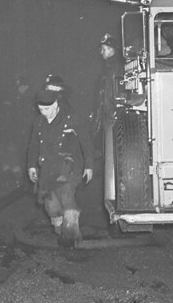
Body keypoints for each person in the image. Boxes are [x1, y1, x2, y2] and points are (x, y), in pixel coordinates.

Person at [26, 87, 92, 247]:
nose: (44, 113)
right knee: (51, 204)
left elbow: (86, 142)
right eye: (41, 109)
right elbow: (34, 145)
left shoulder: (71, 119)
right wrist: (31, 166)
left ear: (55, 105)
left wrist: (89, 166)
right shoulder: (39, 122)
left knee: (66, 195)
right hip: (48, 167)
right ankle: (60, 229)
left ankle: (71, 235)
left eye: (47, 109)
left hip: (68, 165)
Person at [86, 33, 123, 229]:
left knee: (113, 159)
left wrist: (112, 114)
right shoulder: (108, 68)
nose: (102, 52)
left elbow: (112, 94)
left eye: (105, 48)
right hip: (108, 117)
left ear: (113, 49)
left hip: (112, 117)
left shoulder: (115, 67)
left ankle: (117, 200)